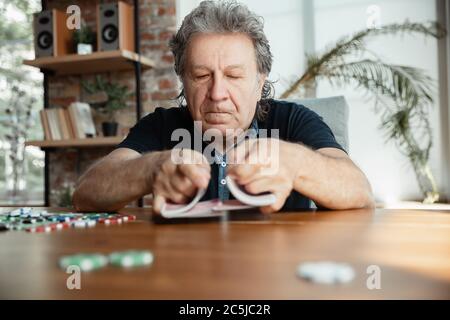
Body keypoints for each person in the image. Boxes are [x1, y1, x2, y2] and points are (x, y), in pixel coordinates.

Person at [72, 0, 374, 214]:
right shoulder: (163, 125)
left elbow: (359, 190)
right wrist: (150, 169)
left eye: (234, 75)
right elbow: (86, 193)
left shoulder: (294, 121)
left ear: (259, 82)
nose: (217, 93)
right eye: (201, 76)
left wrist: (296, 164)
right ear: (184, 82)